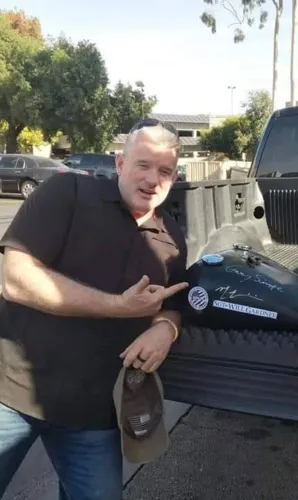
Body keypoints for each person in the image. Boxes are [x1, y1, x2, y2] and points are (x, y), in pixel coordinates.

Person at [0, 118, 189, 500]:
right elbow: (14, 279)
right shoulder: (68, 192)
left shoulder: (171, 240)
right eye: (143, 165)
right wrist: (116, 307)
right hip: (12, 394)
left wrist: (164, 329)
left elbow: (171, 304)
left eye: (165, 171)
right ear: (120, 163)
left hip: (92, 415)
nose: (153, 180)